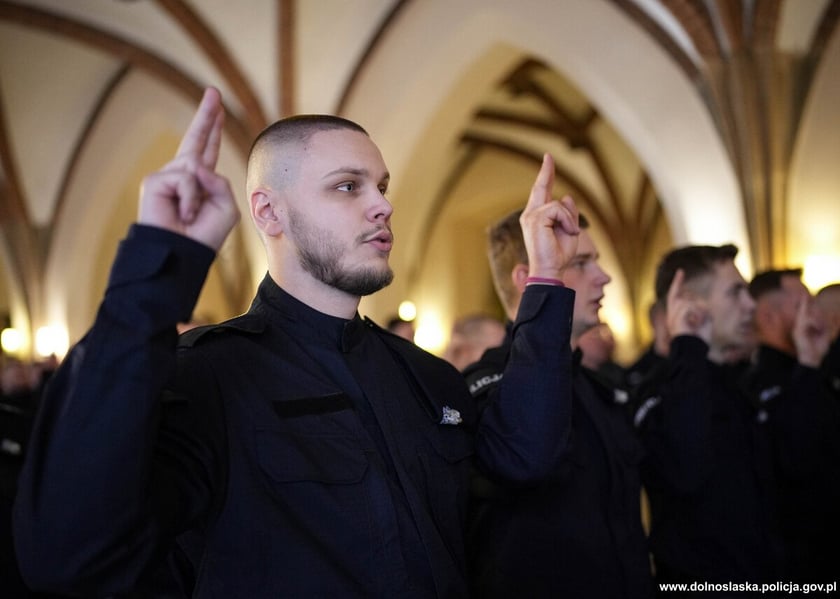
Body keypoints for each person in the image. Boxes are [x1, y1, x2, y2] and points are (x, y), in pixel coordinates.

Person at [13, 88, 580, 598]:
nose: (383, 205)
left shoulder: (425, 375)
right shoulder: (210, 375)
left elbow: (523, 459)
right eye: (347, 186)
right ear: (269, 212)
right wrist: (158, 265)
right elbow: (70, 554)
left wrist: (547, 280)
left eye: (381, 186)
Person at [463, 210, 652, 598]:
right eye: (580, 263)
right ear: (527, 279)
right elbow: (525, 461)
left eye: (596, 260)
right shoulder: (490, 383)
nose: (604, 276)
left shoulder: (595, 386)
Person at [633, 244, 785, 590]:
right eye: (735, 292)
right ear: (690, 301)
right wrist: (688, 344)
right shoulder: (658, 391)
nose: (750, 305)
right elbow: (685, 472)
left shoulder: (737, 383)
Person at [743, 269, 840, 582]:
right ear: (768, 316)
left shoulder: (814, 368)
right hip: (799, 558)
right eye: (802, 304)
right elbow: (795, 457)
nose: (814, 314)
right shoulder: (757, 383)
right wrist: (809, 366)